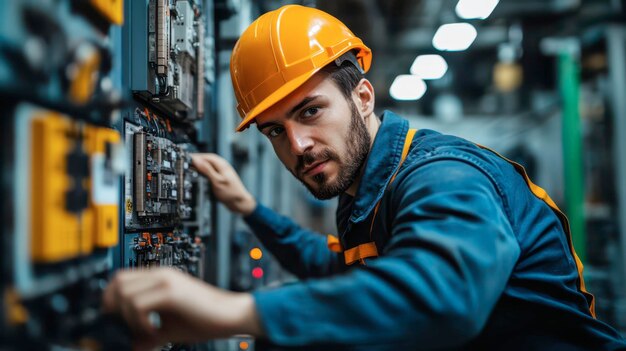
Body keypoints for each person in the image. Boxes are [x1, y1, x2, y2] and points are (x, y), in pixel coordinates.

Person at [103, 4, 626, 350]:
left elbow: (443, 297)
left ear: (363, 96)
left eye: (309, 112)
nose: (298, 145)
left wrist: (235, 310)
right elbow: (338, 265)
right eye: (274, 132)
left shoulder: (439, 175)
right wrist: (249, 209)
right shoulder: (367, 193)